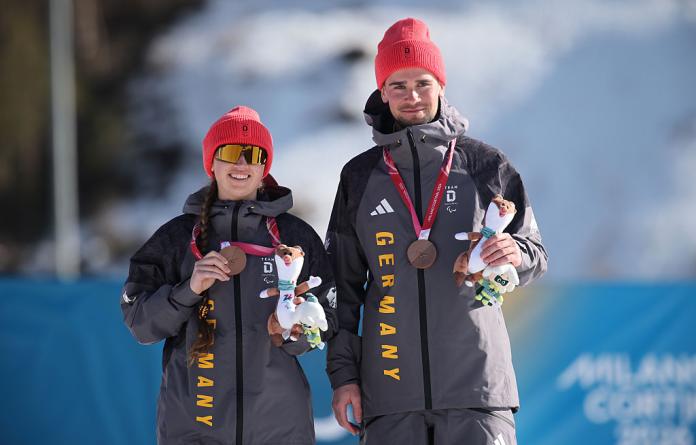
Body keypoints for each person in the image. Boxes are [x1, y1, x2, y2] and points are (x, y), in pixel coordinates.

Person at [326, 18, 548, 445]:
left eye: (423, 83)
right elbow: (342, 290)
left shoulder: (485, 164)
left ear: (441, 86)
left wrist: (514, 253)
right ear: (382, 92)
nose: (412, 96)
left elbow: (536, 253)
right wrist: (344, 377)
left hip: (477, 386)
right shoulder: (359, 177)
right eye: (398, 85)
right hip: (389, 390)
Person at [121, 106, 337, 445]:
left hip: (279, 428)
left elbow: (329, 319)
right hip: (195, 428)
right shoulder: (176, 238)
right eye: (232, 152)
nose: (242, 164)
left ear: (265, 166)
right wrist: (188, 290)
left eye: (253, 155)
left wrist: (296, 330)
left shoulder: (296, 236)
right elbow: (140, 323)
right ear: (212, 162)